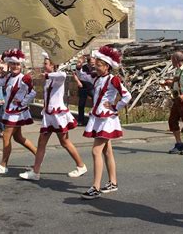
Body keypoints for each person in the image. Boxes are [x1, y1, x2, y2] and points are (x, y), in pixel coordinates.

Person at [19, 53, 87, 180]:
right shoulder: (49, 79)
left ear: (53, 65)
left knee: (65, 142)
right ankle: (36, 172)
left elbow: (62, 75)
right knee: (42, 143)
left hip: (58, 115)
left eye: (45, 64)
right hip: (49, 115)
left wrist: (46, 74)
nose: (43, 66)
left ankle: (81, 165)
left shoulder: (58, 77)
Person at [80, 46, 132, 200]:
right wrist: (78, 66)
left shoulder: (113, 79)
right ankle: (113, 182)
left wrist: (116, 107)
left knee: (96, 151)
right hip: (99, 118)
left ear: (107, 66)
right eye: (96, 63)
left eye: (99, 64)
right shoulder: (98, 78)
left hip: (106, 119)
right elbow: (83, 76)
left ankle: (95, 187)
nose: (96, 66)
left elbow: (127, 96)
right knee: (106, 151)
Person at [0, 48, 37, 175]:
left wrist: (22, 102)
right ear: (9, 64)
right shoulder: (9, 76)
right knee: (18, 138)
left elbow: (32, 92)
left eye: (17, 64)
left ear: (20, 65)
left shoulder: (24, 78)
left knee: (6, 136)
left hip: (16, 112)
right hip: (11, 110)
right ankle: (39, 156)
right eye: (13, 64)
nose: (15, 66)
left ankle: (3, 165)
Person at [161, 51, 183, 155]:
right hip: (178, 99)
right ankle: (179, 144)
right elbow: (178, 81)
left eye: (172, 59)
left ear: (176, 60)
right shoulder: (178, 70)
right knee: (172, 120)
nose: (171, 61)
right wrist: (169, 83)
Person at [73, 55, 96, 126]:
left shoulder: (96, 68)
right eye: (92, 62)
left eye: (94, 62)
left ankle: (95, 117)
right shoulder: (83, 68)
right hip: (83, 86)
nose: (93, 64)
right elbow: (75, 73)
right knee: (81, 104)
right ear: (88, 63)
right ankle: (80, 120)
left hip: (91, 87)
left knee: (96, 99)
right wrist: (78, 82)